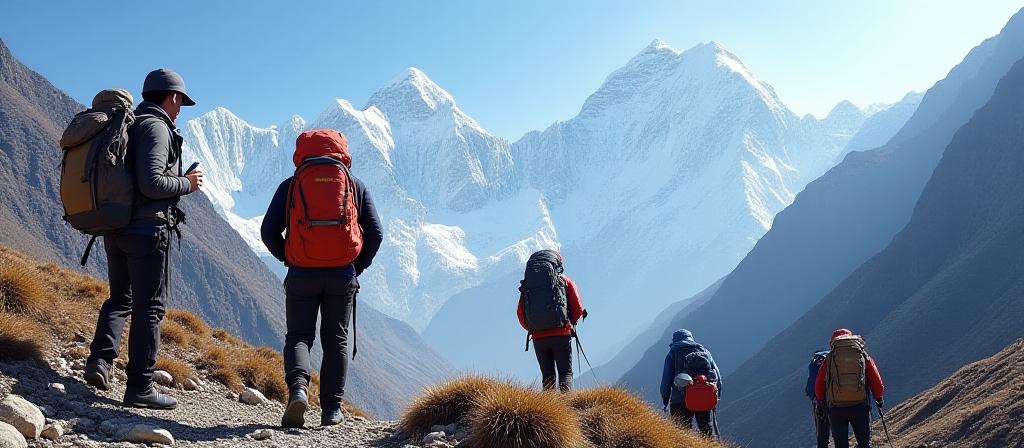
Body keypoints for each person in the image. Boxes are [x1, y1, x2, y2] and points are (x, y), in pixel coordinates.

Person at [84, 69, 203, 410]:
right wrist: (186, 183)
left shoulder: (132, 124)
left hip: (117, 228)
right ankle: (140, 386)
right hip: (147, 233)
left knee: (120, 298)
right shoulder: (156, 127)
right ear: (173, 97)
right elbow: (152, 183)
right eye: (180, 102)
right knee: (149, 308)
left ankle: (100, 363)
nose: (180, 110)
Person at [261, 129, 383, 428]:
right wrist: (357, 267)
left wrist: (289, 258)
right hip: (342, 274)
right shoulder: (355, 186)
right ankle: (331, 410)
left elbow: (268, 231)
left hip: (302, 272)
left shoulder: (291, 186)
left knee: (299, 336)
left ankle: (299, 391)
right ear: (343, 153)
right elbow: (376, 233)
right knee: (336, 340)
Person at [517, 249, 587, 391]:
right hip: (561, 334)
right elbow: (578, 309)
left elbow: (520, 313)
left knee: (547, 377)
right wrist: (569, 323)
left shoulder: (528, 286)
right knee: (565, 373)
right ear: (557, 264)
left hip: (538, 338)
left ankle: (549, 411)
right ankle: (566, 410)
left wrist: (534, 327)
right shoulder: (565, 282)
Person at [814, 329, 885, 448]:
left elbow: (818, 385)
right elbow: (876, 380)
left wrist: (821, 402)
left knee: (841, 444)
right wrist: (878, 398)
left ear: (833, 342)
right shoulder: (862, 355)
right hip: (860, 406)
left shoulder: (829, 358)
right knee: (864, 443)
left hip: (836, 409)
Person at [660, 329, 722, 436]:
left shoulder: (672, 354)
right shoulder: (704, 352)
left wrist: (665, 401)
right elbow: (718, 377)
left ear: (674, 340)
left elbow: (666, 381)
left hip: (680, 400)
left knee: (680, 434)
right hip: (703, 396)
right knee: (706, 433)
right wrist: (717, 395)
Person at [806, 350, 831, 448]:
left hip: (819, 401)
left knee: (822, 432)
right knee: (839, 431)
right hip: (838, 399)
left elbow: (810, 388)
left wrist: (814, 398)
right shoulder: (835, 360)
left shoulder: (815, 363)